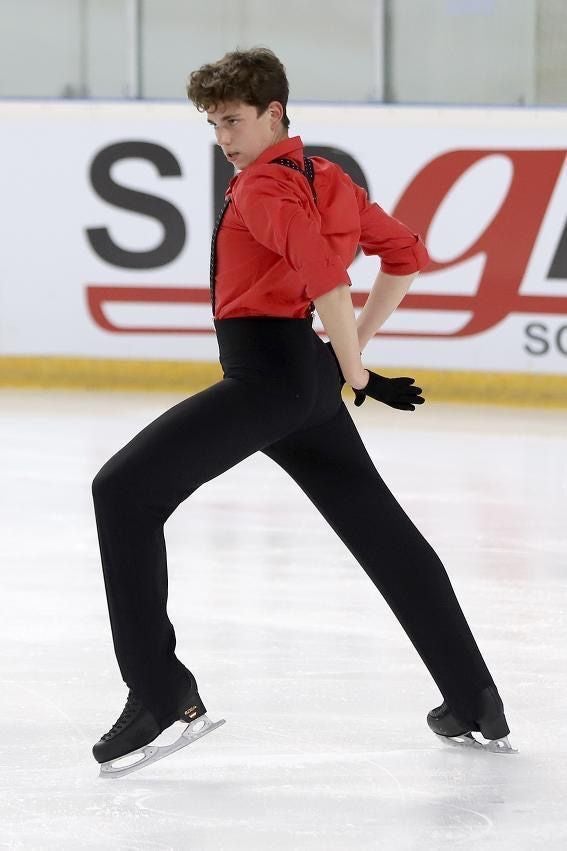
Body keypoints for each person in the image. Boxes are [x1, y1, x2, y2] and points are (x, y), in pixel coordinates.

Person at [91, 47, 515, 778]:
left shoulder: (261, 188)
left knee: (123, 491)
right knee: (384, 533)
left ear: (273, 113)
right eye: (212, 124)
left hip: (270, 380)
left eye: (232, 121)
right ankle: (473, 696)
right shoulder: (330, 179)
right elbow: (406, 257)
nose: (223, 138)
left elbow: (327, 281)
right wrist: (348, 358)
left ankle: (160, 689)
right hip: (303, 378)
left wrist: (354, 365)